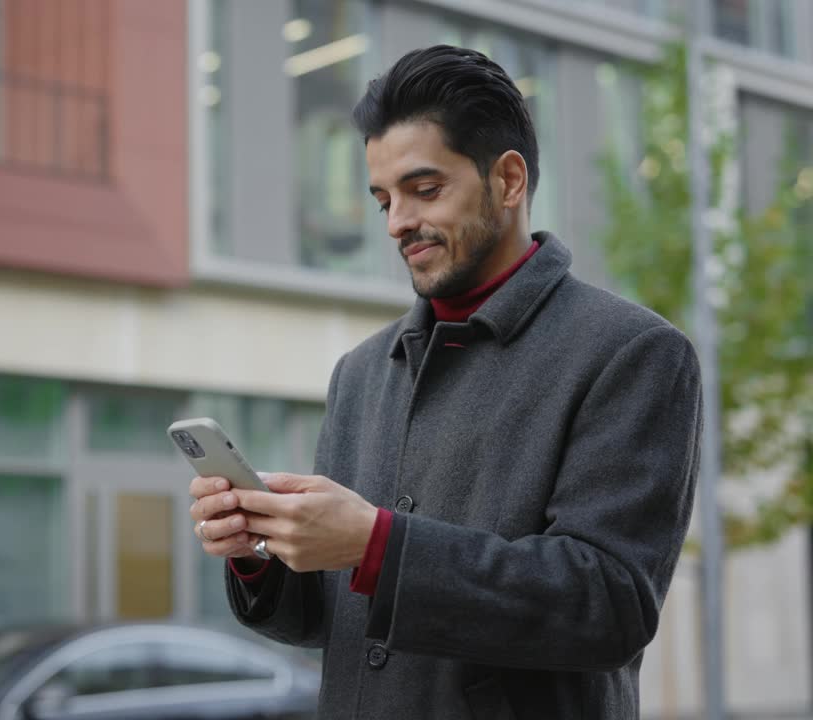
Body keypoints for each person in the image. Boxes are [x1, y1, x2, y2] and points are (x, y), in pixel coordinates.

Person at [187, 45, 702, 718]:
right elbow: (325, 622)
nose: (399, 221)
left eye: (424, 190)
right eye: (383, 200)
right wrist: (259, 549)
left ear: (509, 181)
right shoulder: (362, 374)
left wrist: (376, 543)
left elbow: (606, 606)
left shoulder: (631, 354)